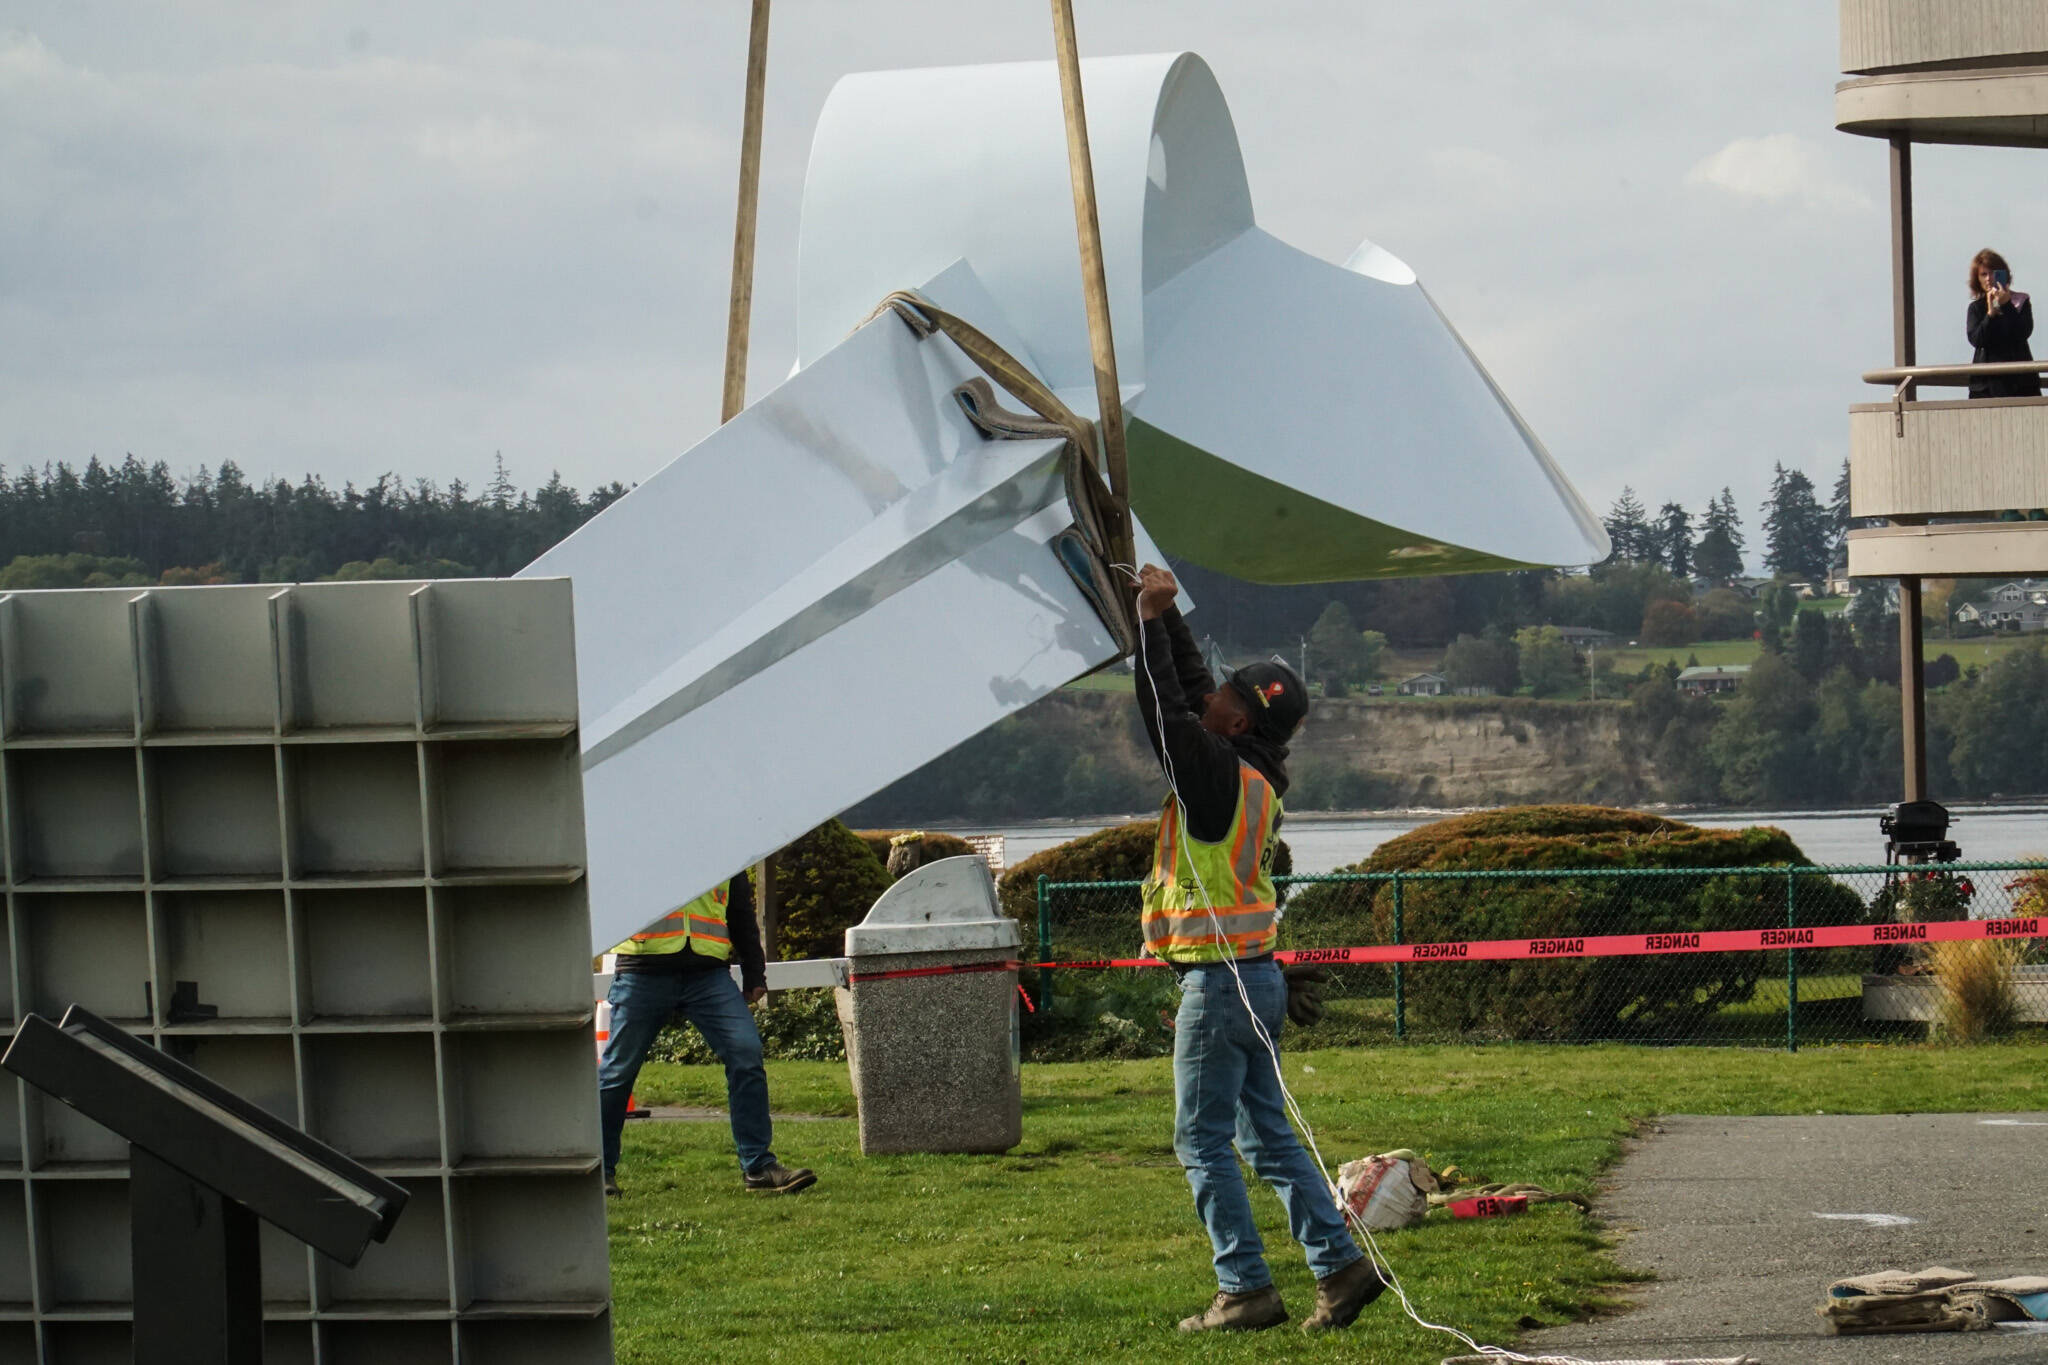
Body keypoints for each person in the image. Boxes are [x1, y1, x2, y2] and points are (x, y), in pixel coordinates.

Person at [1130, 563, 1385, 1334]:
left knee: (1201, 1140)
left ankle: (1243, 1287)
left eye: (1226, 700)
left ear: (1237, 723)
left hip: (1216, 987)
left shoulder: (1210, 771)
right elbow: (1196, 687)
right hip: (1257, 980)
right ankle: (1340, 1269)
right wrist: (1168, 616)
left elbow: (1164, 707)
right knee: (1266, 1134)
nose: (1211, 697)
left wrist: (1144, 625)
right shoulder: (1251, 771)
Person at [598, 872, 816, 1197]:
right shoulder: (641, 841)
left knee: (746, 1052)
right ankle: (599, 1173)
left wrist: (755, 971)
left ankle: (758, 1168)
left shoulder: (722, 850)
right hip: (643, 970)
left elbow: (740, 912)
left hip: (707, 975)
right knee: (618, 1073)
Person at [1965, 248, 2042, 399]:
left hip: (2021, 384)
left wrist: (2006, 305)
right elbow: (1977, 339)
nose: (1988, 278)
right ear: (1977, 279)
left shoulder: (2021, 301)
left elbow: (2023, 332)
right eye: (1983, 274)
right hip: (1986, 386)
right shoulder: (1976, 308)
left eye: (1993, 273)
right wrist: (1990, 315)